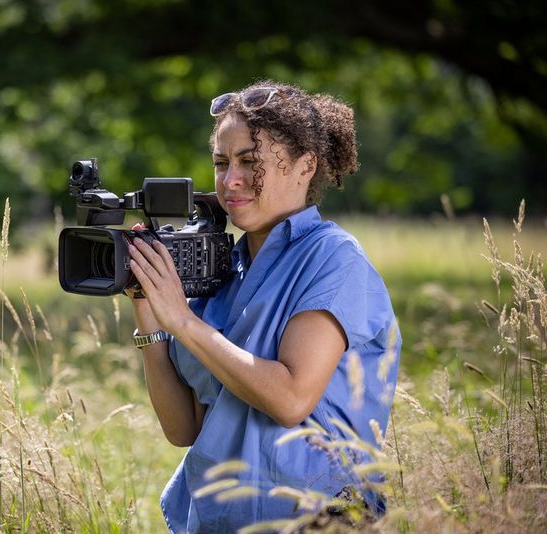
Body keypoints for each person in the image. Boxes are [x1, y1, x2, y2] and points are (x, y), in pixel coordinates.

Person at [126, 80, 401, 532]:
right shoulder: (220, 273)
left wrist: (183, 322)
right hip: (217, 521)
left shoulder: (334, 259)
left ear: (305, 166)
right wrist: (151, 317)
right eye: (221, 163)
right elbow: (184, 428)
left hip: (316, 520)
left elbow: (291, 399)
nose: (230, 180)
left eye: (249, 162)